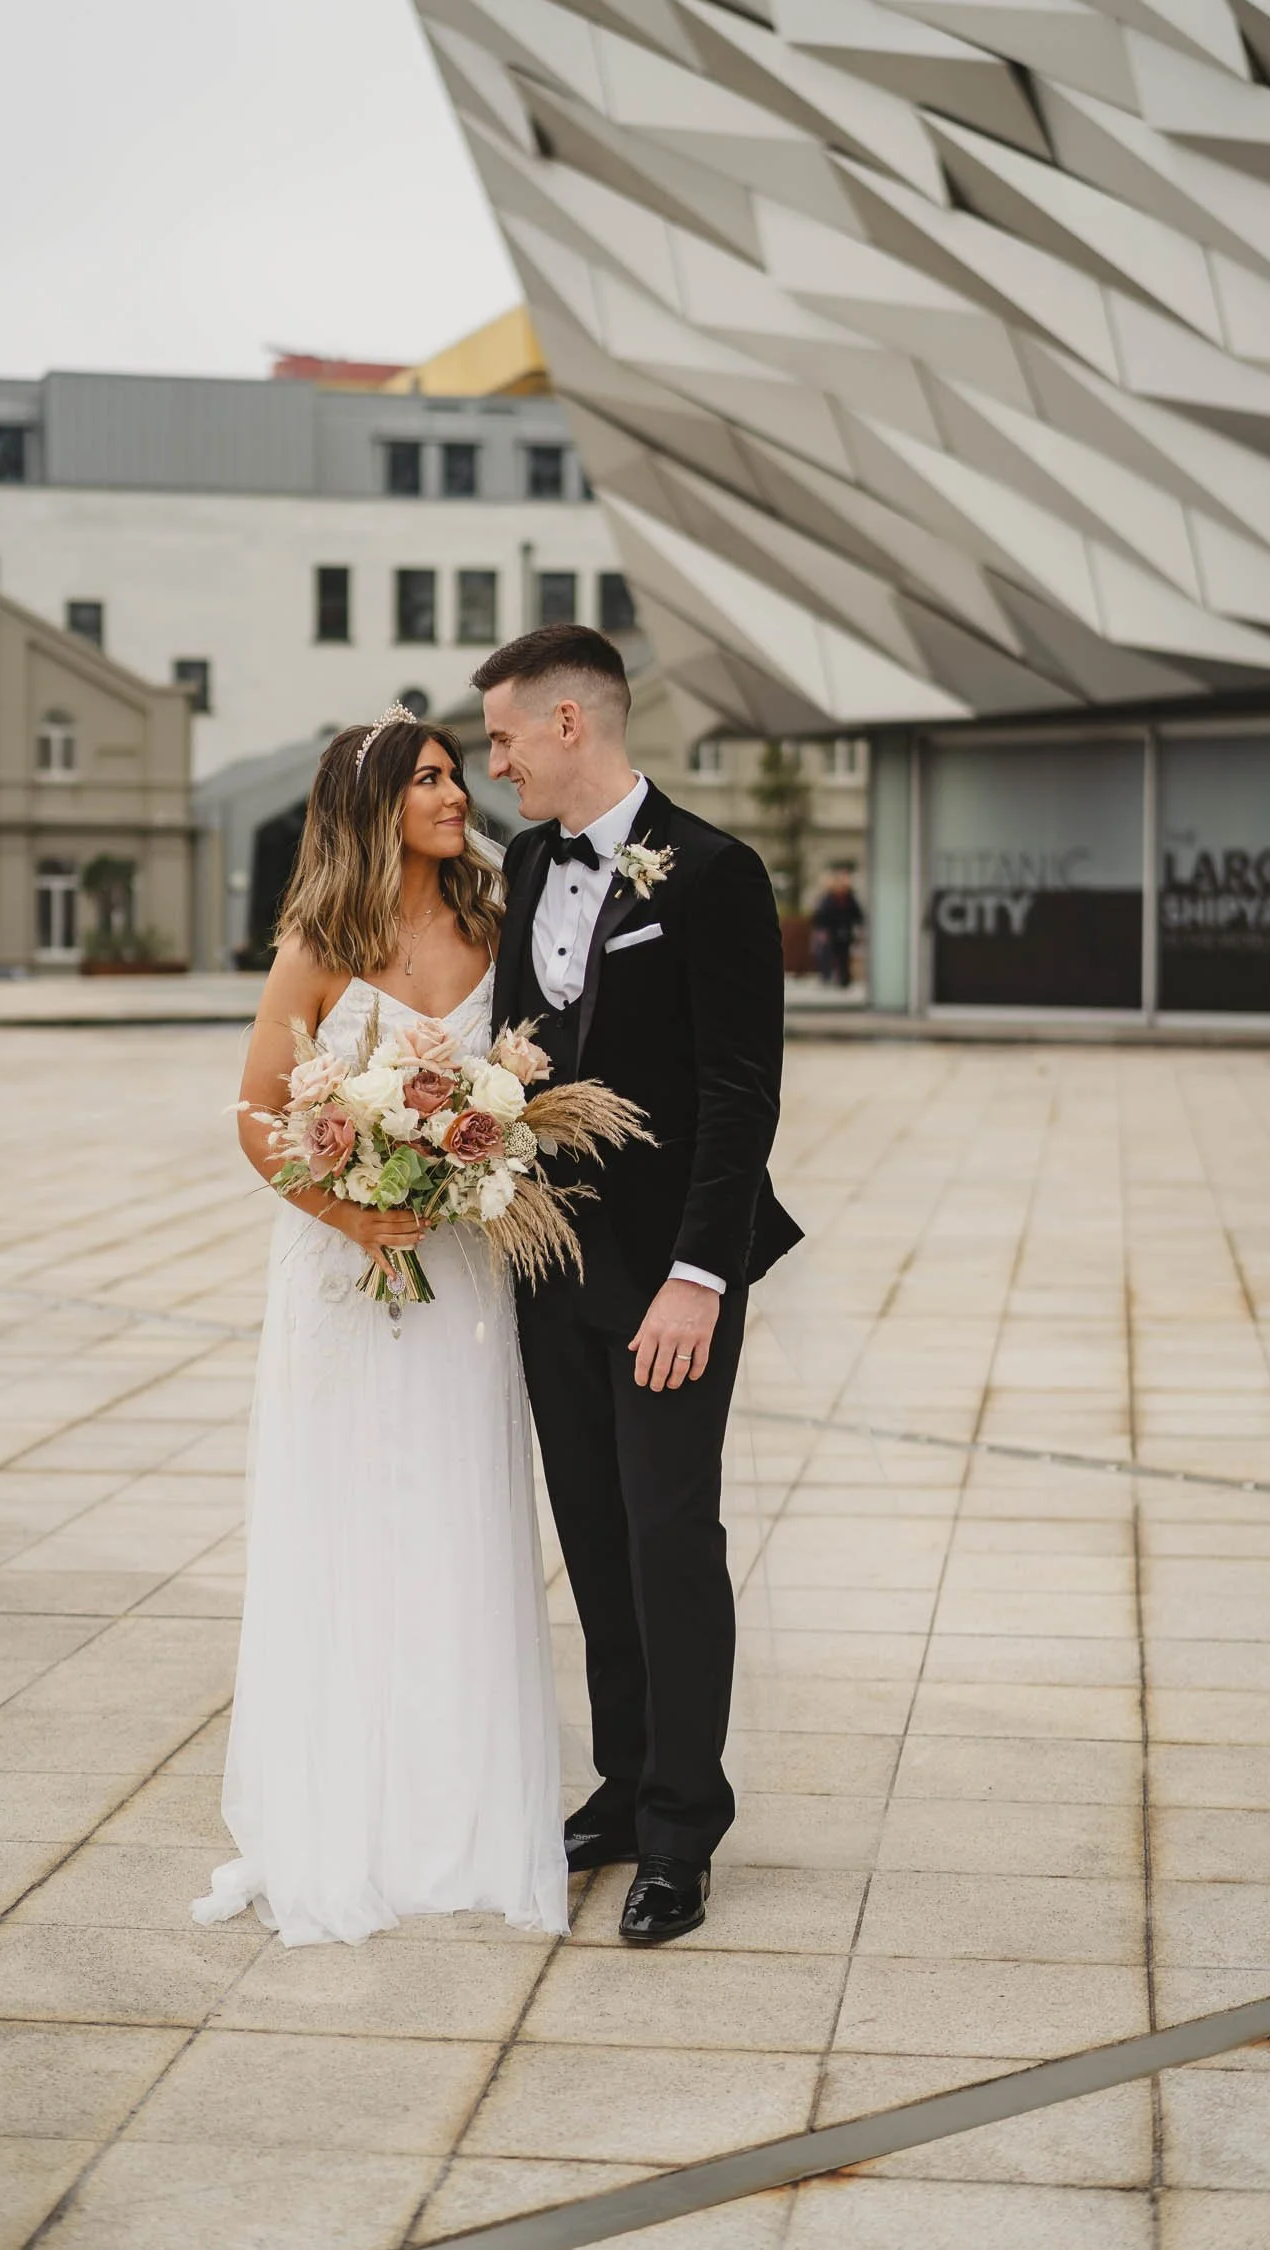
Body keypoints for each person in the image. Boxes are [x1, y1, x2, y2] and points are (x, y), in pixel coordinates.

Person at [192, 712, 568, 1945]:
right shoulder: (319, 942)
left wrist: (483, 1149)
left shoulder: (495, 919)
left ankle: (461, 1813)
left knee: (459, 1517)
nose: (459, 792)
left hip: (462, 1277)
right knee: (349, 1524)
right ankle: (348, 1812)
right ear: (372, 804)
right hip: (346, 1278)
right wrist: (349, 1211)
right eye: (430, 779)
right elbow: (255, 1115)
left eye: (459, 773)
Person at [477, 624, 802, 1945]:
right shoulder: (520, 860)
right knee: (596, 1536)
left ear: (570, 724)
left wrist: (697, 1280)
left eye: (502, 736)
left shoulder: (715, 872)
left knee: (672, 1538)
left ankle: (683, 1825)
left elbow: (741, 1092)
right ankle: (623, 1780)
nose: (491, 760)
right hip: (550, 1269)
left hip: (672, 1279)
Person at [812, 866, 864, 989]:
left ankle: (844, 979)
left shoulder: (850, 899)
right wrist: (822, 931)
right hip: (831, 932)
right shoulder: (828, 900)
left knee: (844, 955)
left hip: (845, 931)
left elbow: (857, 915)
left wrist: (857, 929)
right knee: (829, 954)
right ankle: (828, 977)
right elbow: (820, 917)